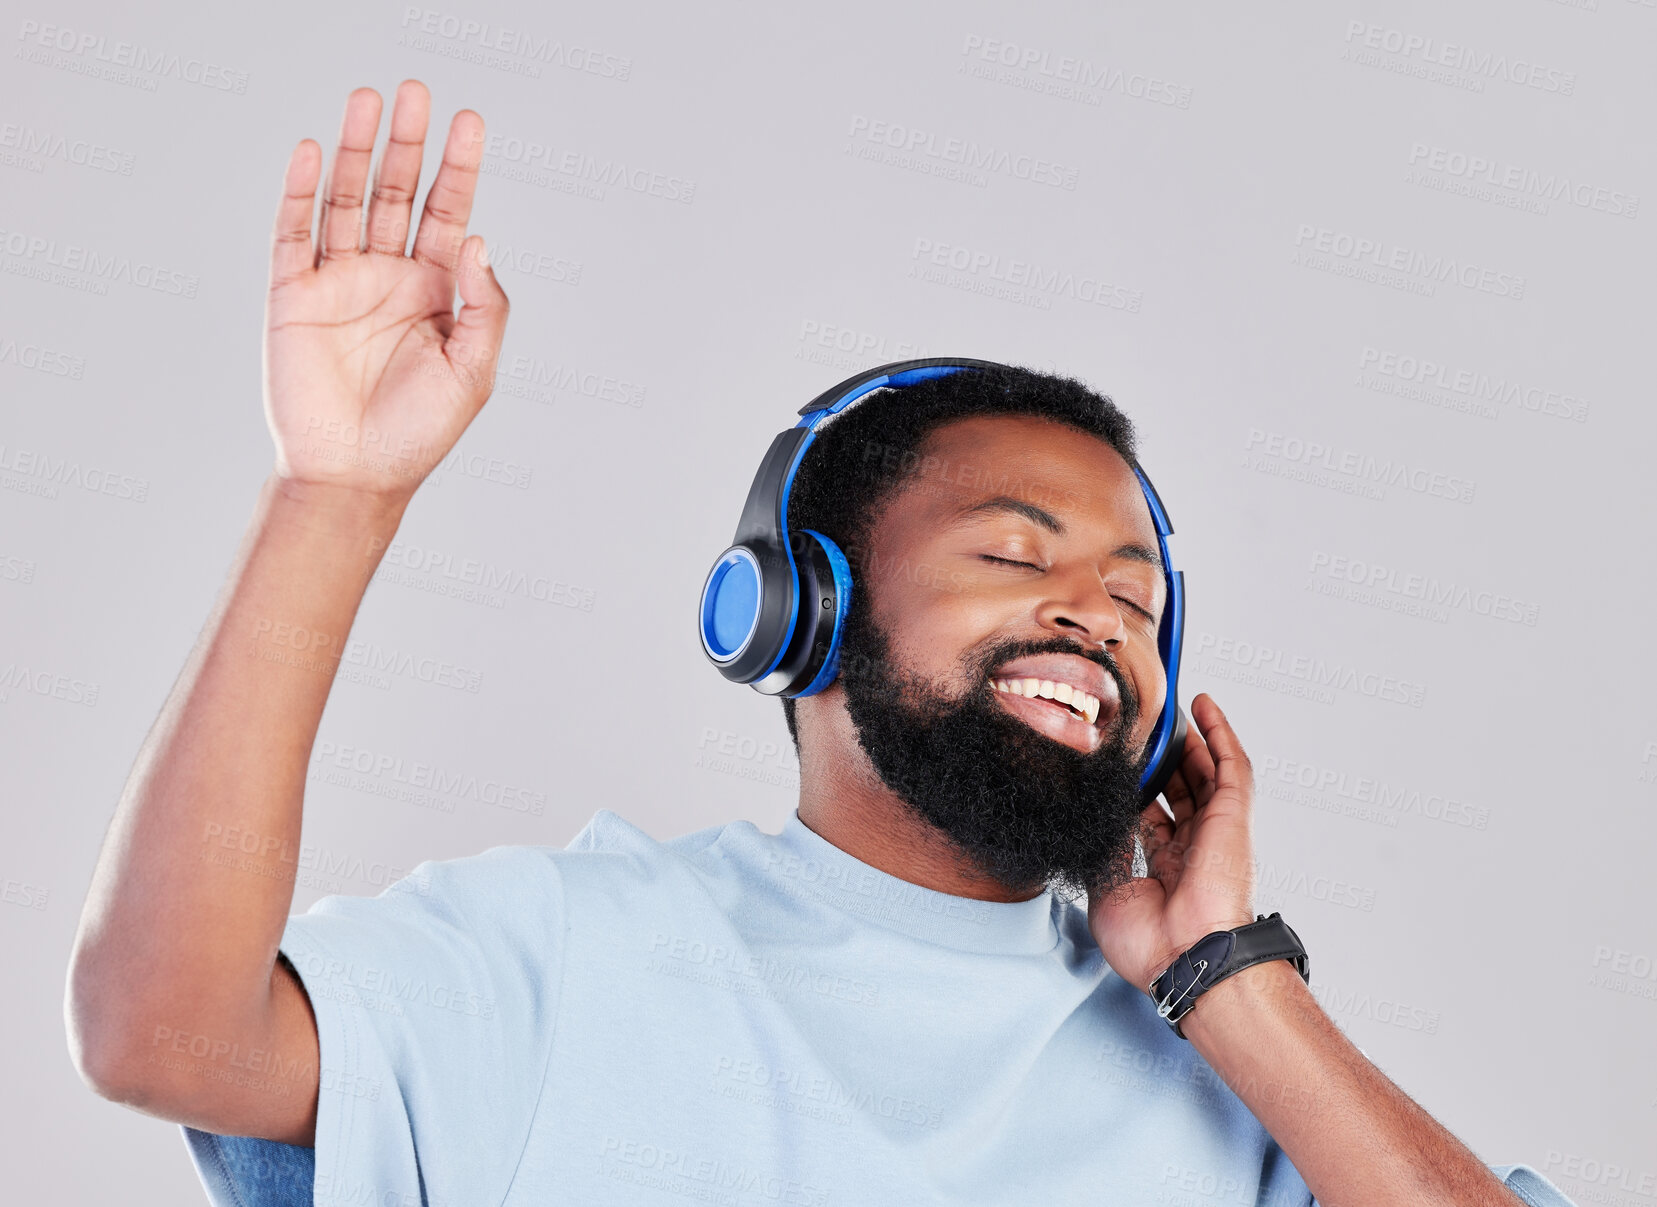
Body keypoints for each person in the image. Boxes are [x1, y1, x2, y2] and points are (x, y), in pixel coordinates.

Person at [65, 80, 1578, 1207]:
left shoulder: (1239, 1076)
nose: (1097, 618)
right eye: (1013, 552)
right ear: (796, 605)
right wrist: (334, 496)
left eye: (1135, 597)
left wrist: (1227, 978)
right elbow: (160, 1034)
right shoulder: (560, 957)